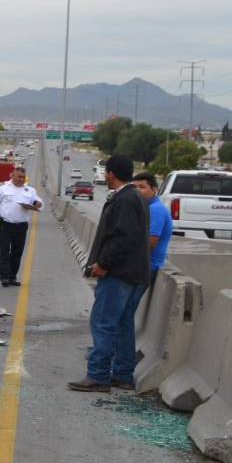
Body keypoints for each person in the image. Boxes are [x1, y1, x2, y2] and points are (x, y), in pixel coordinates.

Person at [68, 154, 150, 393]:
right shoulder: (135, 197)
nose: (105, 175)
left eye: (107, 171)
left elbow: (122, 239)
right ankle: (123, 375)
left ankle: (98, 375)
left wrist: (103, 264)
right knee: (123, 325)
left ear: (111, 174)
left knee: (103, 323)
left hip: (119, 274)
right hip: (135, 273)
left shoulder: (125, 199)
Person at [0, 166, 42, 287]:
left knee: (17, 252)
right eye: (19, 177)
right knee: (5, 251)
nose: (21, 179)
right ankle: (4, 277)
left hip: (21, 226)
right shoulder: (3, 188)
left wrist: (38, 203)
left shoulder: (29, 189)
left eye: (23, 177)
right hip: (5, 225)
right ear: (12, 176)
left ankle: (12, 277)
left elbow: (40, 204)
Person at [132, 171, 172, 295]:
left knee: (127, 309)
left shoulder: (155, 210)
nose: (137, 190)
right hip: (142, 266)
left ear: (154, 190)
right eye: (135, 187)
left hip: (146, 267)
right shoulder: (145, 207)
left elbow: (150, 243)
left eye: (142, 187)